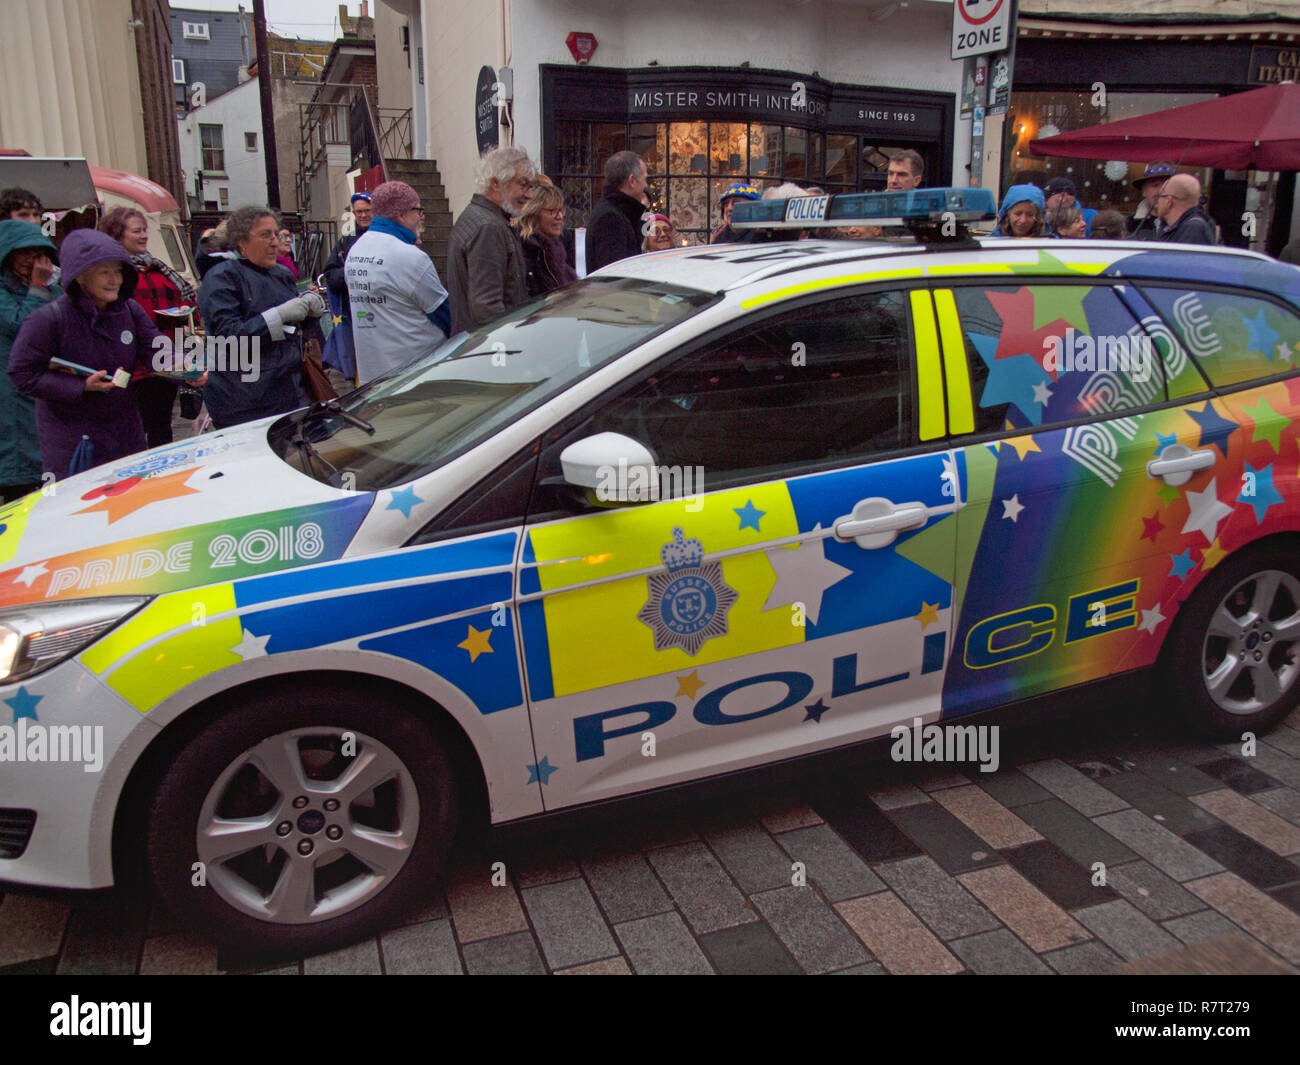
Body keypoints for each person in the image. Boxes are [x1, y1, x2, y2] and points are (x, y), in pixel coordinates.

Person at [8, 230, 159, 478]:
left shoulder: (129, 310)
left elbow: (157, 351)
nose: (115, 280)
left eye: (118, 271)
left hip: (126, 435)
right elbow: (22, 373)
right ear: (80, 277)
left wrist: (187, 371)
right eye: (104, 272)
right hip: (73, 443)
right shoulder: (47, 319)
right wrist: (80, 386)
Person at [197, 205, 326, 429]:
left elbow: (292, 330)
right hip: (243, 401)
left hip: (287, 390)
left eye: (276, 234)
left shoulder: (281, 274)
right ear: (241, 241)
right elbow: (228, 338)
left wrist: (308, 312)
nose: (275, 242)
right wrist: (278, 315)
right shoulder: (221, 277)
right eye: (265, 235)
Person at [99, 206, 197, 450]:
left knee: (161, 427)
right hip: (132, 364)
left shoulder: (157, 267)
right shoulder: (113, 272)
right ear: (116, 234)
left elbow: (183, 297)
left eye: (144, 230)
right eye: (136, 231)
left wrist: (182, 312)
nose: (144, 235)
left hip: (162, 360)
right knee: (133, 430)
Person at [346, 180, 450, 384]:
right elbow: (445, 315)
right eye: (418, 211)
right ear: (401, 215)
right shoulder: (410, 257)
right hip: (416, 375)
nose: (421, 217)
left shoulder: (356, 250)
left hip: (373, 377)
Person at [446, 146, 535, 333]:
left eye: (531, 186)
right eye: (523, 184)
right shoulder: (489, 227)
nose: (529, 195)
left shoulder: (481, 218)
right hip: (490, 349)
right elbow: (487, 307)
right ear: (496, 183)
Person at [0, 221, 60, 500]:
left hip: (45, 392)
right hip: (10, 399)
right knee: (16, 479)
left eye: (38, 254)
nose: (31, 261)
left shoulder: (55, 290)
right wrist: (37, 288)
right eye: (23, 253)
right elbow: (24, 328)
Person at [321, 191, 373, 381]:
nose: (363, 215)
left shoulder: (384, 236)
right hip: (354, 314)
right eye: (358, 212)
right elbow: (330, 275)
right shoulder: (345, 241)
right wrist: (352, 273)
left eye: (367, 210)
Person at [585, 150, 649, 271]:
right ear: (632, 181)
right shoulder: (610, 218)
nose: (646, 185)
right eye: (644, 179)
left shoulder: (619, 213)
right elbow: (614, 273)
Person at [517, 181, 576, 297]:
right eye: (552, 211)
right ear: (534, 213)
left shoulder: (556, 249)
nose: (559, 217)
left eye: (561, 210)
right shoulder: (528, 250)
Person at [1155, 174, 1218, 245]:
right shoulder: (1169, 227)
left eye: (1159, 197)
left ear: (1169, 201)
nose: (1157, 203)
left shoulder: (1193, 229)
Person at [1127, 162, 1177, 241]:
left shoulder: (1188, 224)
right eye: (1155, 185)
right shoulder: (1130, 225)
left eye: (1167, 185)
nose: (1161, 191)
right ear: (1144, 191)